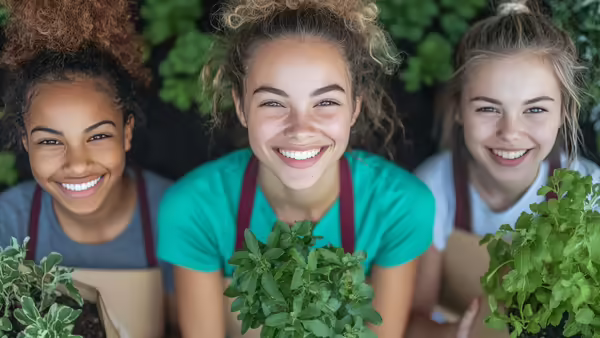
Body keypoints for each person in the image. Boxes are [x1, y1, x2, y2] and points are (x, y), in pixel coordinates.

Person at [157, 0, 435, 336]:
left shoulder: (401, 206)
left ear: (354, 109)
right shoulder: (193, 208)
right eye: (274, 103)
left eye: (326, 102)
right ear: (243, 108)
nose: (300, 129)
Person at [408, 0, 600, 337]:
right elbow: (410, 323)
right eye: (488, 109)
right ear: (457, 109)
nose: (510, 132)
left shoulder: (589, 192)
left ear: (565, 111)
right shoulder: (432, 189)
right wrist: (463, 333)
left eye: (535, 110)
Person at [0, 0, 176, 335]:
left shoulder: (177, 214)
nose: (77, 164)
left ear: (127, 133)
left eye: (97, 136)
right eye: (50, 141)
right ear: (25, 142)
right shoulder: (7, 221)